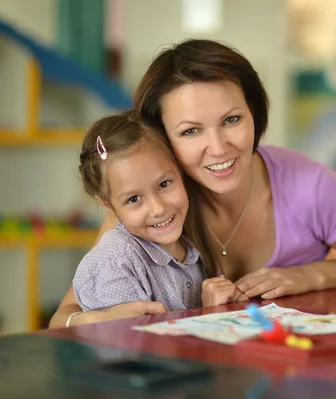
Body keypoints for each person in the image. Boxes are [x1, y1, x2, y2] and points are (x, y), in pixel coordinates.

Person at [49, 39, 336, 328]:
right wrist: (90, 320)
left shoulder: (309, 185)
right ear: (162, 139)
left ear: (254, 113)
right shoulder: (150, 204)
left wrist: (310, 275)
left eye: (232, 120)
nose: (219, 147)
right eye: (191, 130)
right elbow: (64, 315)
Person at [70, 110, 236, 323]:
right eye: (133, 199)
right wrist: (210, 315)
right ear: (109, 205)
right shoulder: (114, 261)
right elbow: (136, 348)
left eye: (164, 184)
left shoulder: (189, 243)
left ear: (180, 171)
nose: (158, 208)